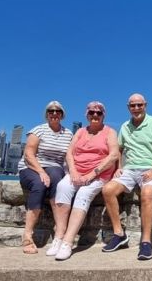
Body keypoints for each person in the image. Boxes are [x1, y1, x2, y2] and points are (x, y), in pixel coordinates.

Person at [46, 101, 119, 260]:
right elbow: (69, 153)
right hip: (76, 172)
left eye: (98, 113)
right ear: (87, 114)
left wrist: (92, 174)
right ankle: (58, 237)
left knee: (83, 194)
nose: (95, 115)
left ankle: (68, 242)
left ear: (103, 116)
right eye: (91, 112)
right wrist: (72, 171)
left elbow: (113, 155)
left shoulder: (110, 132)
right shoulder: (80, 132)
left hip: (99, 175)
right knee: (62, 187)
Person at [102, 93, 152, 260]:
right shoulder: (125, 126)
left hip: (149, 168)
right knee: (107, 190)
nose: (136, 108)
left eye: (139, 105)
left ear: (145, 105)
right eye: (133, 105)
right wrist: (119, 167)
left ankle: (146, 242)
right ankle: (119, 234)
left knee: (147, 194)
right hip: (130, 170)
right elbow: (119, 149)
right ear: (128, 107)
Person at [18, 100, 73, 254]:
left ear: (62, 115)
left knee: (58, 182)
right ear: (47, 114)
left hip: (54, 168)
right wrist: (41, 172)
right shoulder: (38, 130)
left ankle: (59, 231)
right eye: (51, 111)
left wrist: (71, 172)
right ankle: (28, 236)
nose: (54, 113)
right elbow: (28, 154)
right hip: (31, 166)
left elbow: (69, 156)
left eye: (57, 111)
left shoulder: (68, 134)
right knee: (39, 184)